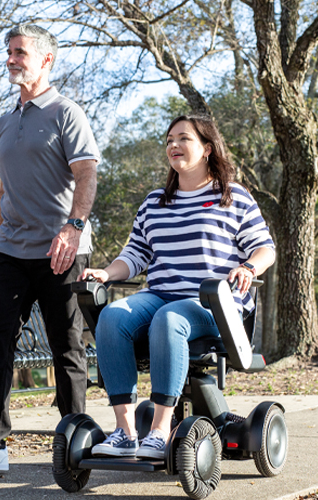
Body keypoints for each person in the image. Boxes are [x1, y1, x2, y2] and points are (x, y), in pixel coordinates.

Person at [0, 24, 100, 472]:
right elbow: (5, 185)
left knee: (66, 345)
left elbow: (86, 174)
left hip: (60, 249)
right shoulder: (5, 119)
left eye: (19, 52)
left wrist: (73, 228)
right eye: (8, 52)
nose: (11, 59)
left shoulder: (66, 112)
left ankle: (76, 439)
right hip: (11, 249)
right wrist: (2, 223)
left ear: (46, 60)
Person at [80, 114, 275, 460]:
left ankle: (159, 432)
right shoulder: (155, 202)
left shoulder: (233, 197)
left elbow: (264, 248)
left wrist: (249, 266)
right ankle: (125, 433)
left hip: (212, 302)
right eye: (169, 140)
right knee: (111, 316)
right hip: (160, 295)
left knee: (169, 318)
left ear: (207, 149)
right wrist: (107, 273)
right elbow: (136, 255)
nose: (173, 145)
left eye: (183, 138)